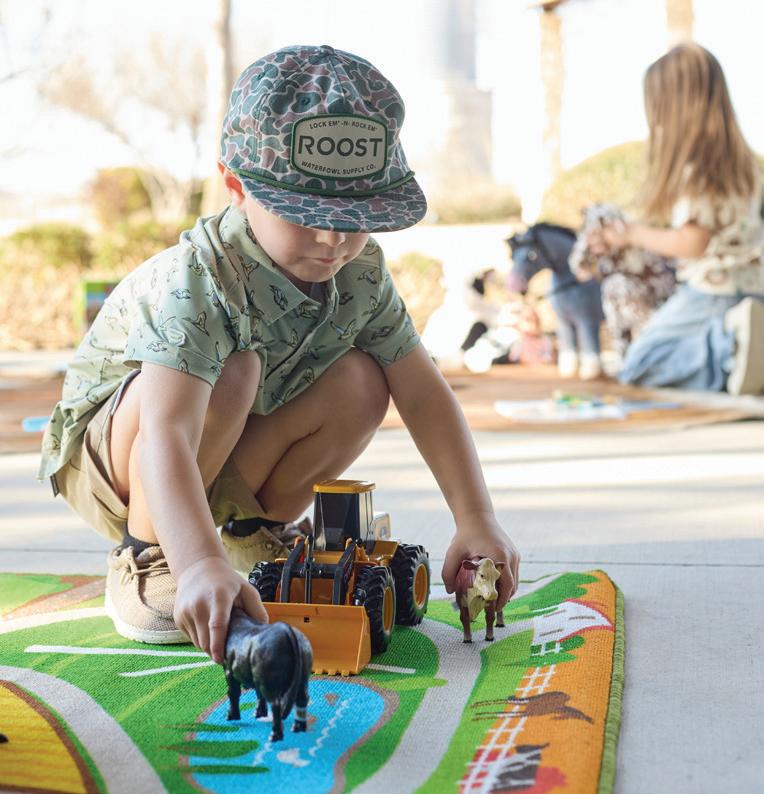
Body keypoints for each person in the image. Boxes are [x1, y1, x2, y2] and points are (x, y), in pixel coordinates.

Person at [39, 45, 520, 664]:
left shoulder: (361, 274)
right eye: (305, 212)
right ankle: (150, 559)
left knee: (364, 381)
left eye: (356, 215)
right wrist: (197, 564)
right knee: (235, 371)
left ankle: (252, 536)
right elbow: (166, 431)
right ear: (236, 187)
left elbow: (423, 393)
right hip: (122, 464)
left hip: (219, 455)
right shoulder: (201, 278)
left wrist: (476, 517)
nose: (333, 237)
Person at [587, 43, 764, 394]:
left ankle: (728, 348)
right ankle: (738, 351)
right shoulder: (745, 165)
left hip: (713, 290)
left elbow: (693, 242)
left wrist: (631, 234)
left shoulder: (697, 168)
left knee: (640, 363)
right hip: (753, 288)